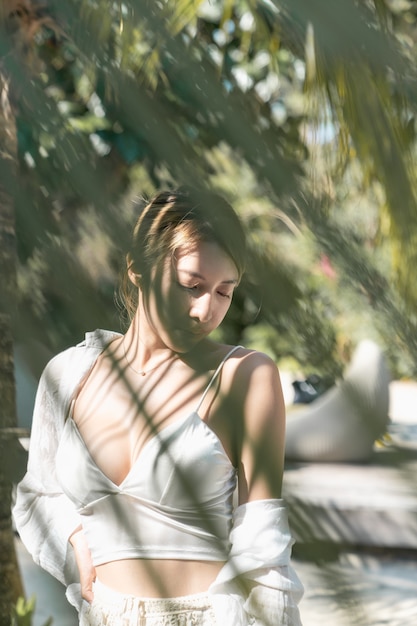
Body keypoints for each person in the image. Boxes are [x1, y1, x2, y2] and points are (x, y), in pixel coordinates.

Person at [13, 188, 303, 625]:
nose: (207, 310)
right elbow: (37, 494)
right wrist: (74, 538)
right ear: (137, 269)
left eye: (225, 292)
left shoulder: (245, 377)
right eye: (192, 286)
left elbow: (265, 556)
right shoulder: (68, 375)